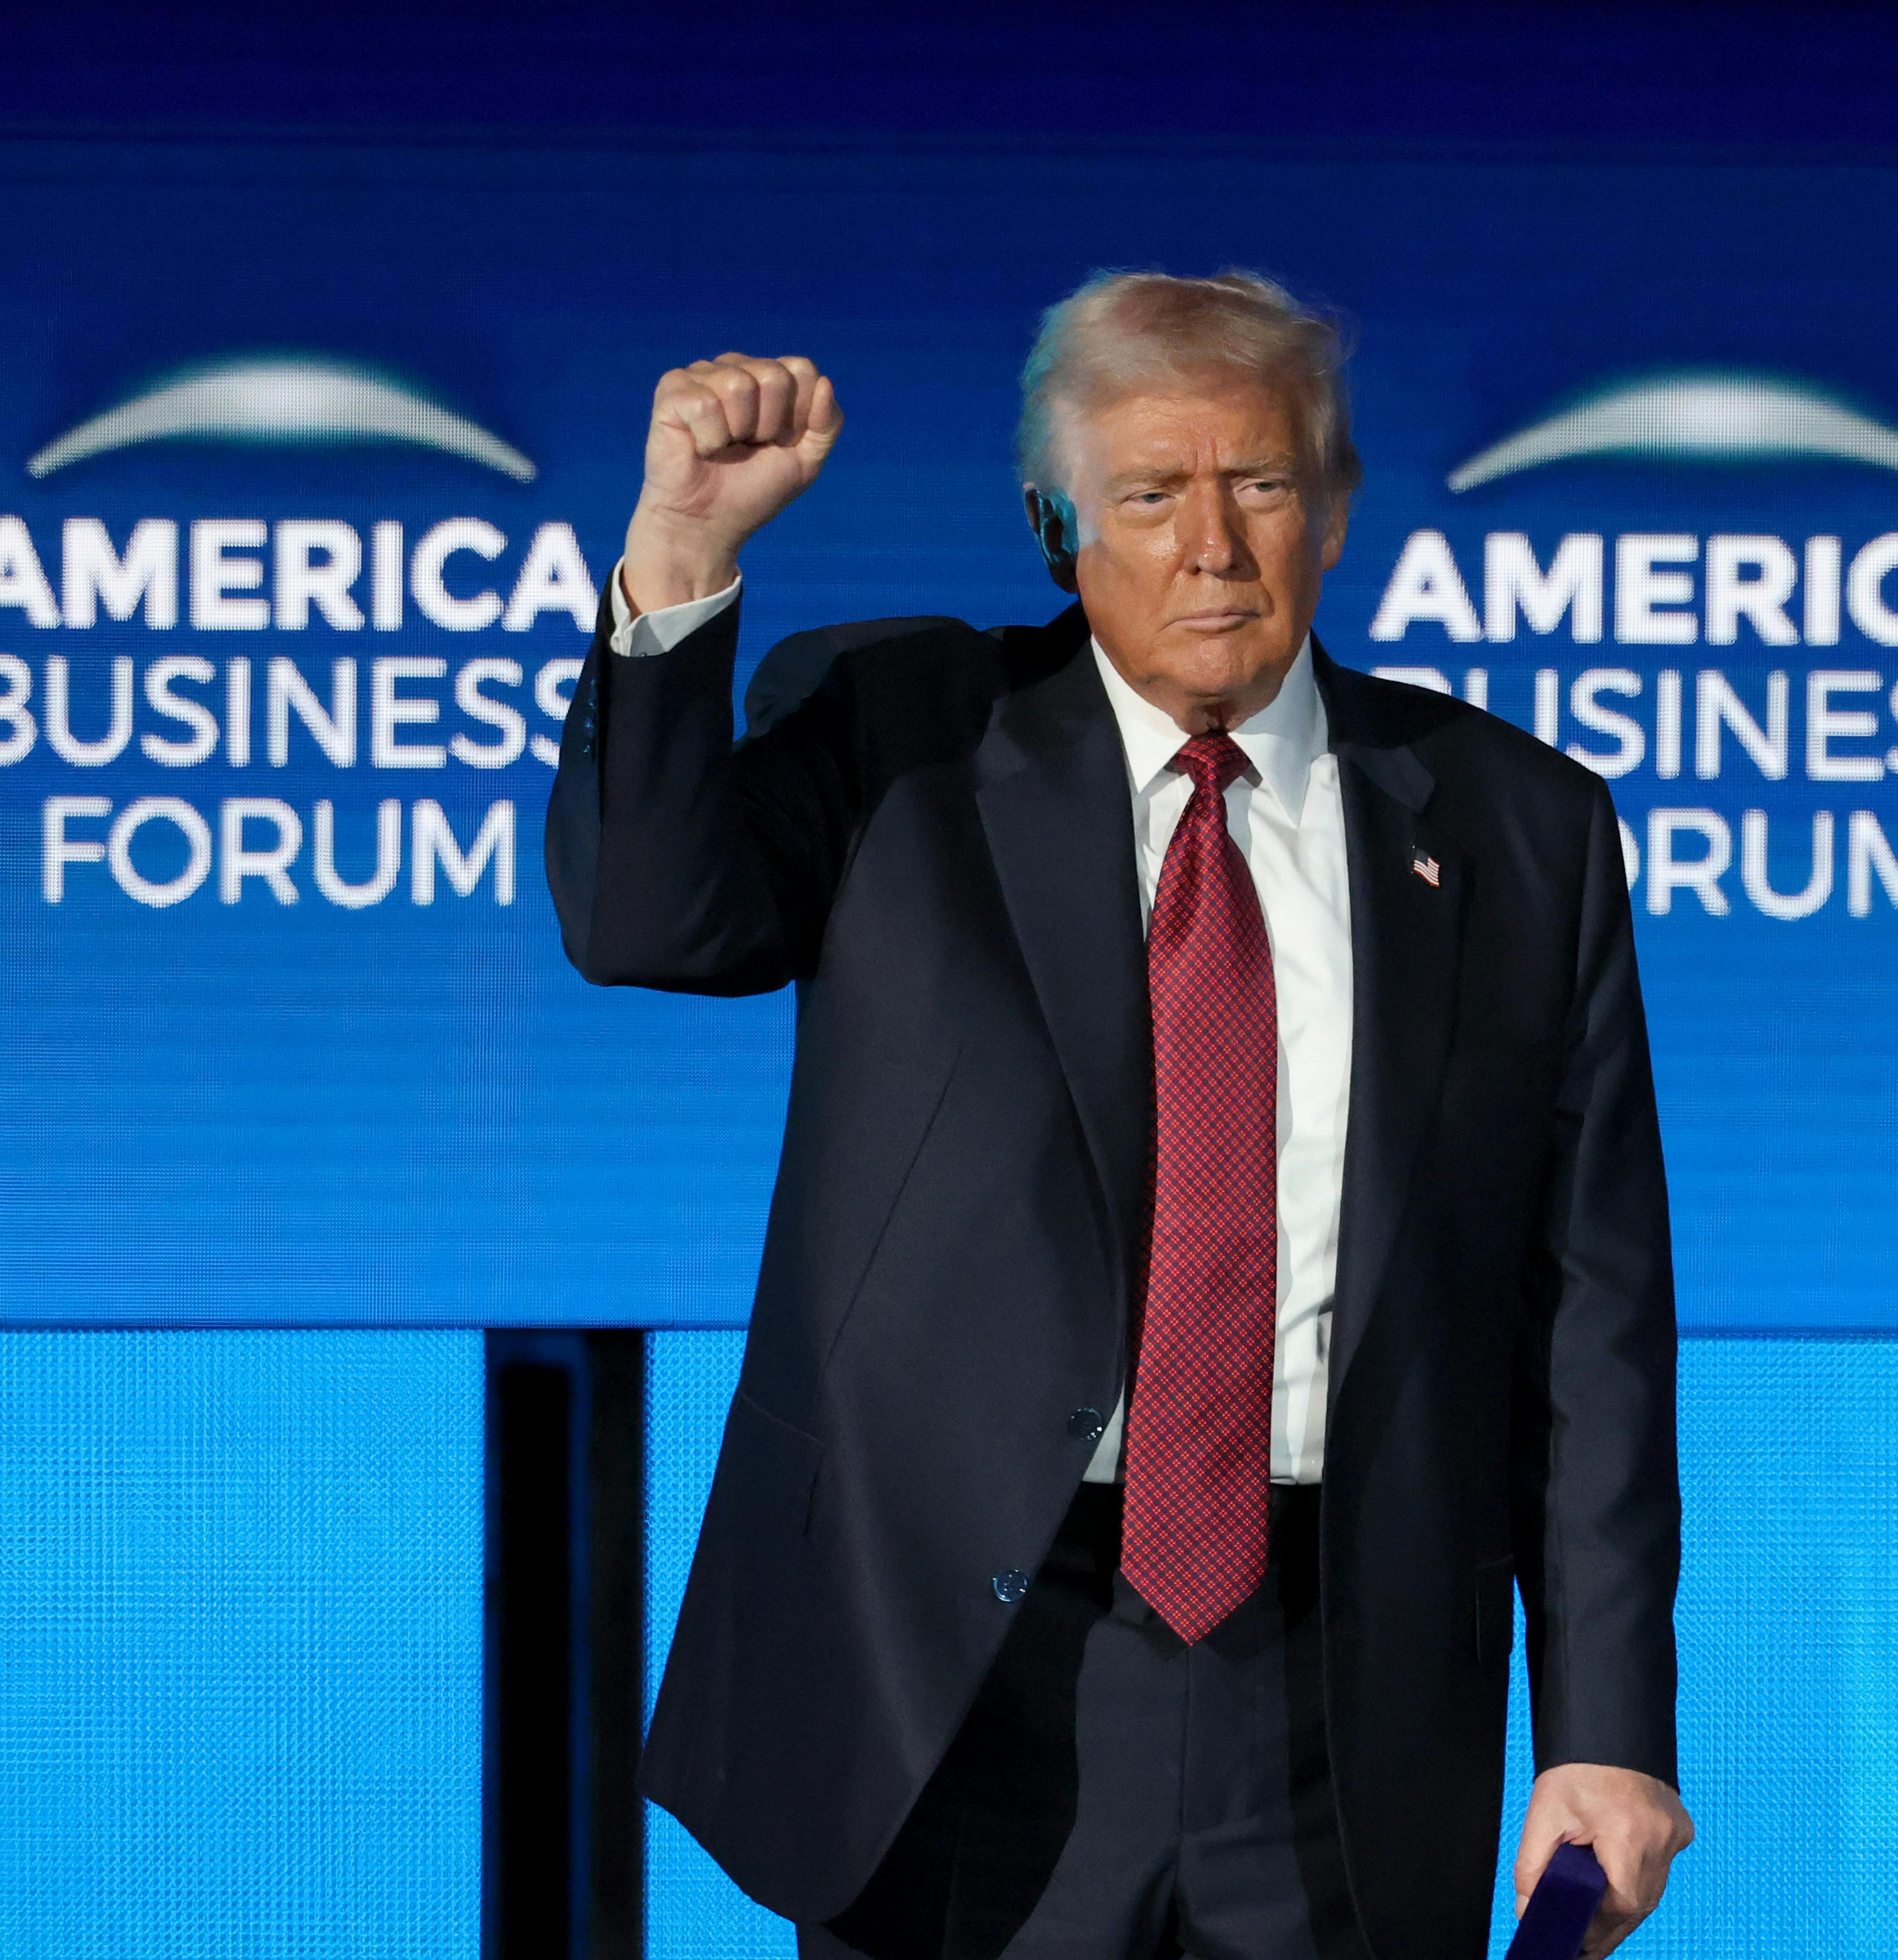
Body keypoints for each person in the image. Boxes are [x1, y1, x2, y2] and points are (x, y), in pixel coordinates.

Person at [546, 270, 1687, 1960]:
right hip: (955, 1680)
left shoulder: (1523, 831)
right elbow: (644, 919)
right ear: (1055, 525)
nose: (1212, 545)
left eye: (1264, 485)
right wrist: (681, 558)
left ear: (1339, 507)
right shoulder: (900, 736)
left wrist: (1606, 1724)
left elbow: (1588, 1317)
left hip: (1345, 1704)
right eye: (1151, 493)